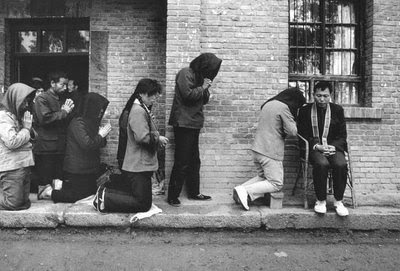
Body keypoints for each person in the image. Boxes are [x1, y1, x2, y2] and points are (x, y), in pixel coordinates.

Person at [93, 79, 168, 213]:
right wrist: (158, 138)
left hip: (139, 164)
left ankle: (106, 194)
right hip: (139, 165)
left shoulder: (140, 108)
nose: (155, 99)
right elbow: (142, 137)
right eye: (153, 95)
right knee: (142, 204)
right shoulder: (138, 111)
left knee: (143, 201)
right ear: (143, 94)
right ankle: (105, 197)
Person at [232, 87, 306, 210]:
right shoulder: (283, 107)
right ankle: (244, 190)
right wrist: (295, 121)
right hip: (271, 151)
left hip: (257, 149)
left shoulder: (268, 104)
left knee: (263, 177)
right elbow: (292, 131)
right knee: (276, 183)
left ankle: (240, 189)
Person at [167, 53, 222, 207]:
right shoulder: (186, 73)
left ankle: (194, 192)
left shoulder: (199, 77)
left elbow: (202, 100)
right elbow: (187, 95)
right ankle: (172, 196)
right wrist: (203, 87)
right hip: (183, 123)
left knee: (194, 161)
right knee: (182, 161)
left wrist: (206, 89)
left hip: (194, 123)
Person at [38, 93, 112, 202]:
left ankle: (59, 184)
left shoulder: (91, 122)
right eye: (99, 109)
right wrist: (101, 135)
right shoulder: (78, 122)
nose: (101, 112)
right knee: (78, 196)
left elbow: (100, 143)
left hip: (88, 167)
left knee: (90, 191)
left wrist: (102, 135)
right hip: (78, 167)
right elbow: (87, 144)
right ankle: (49, 193)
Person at [297, 81, 349, 217]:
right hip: (314, 148)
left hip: (333, 148)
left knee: (341, 164)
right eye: (318, 95)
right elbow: (302, 133)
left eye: (325, 96)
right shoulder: (305, 111)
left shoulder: (337, 110)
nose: (321, 99)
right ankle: (321, 201)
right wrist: (316, 146)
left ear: (330, 95)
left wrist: (334, 146)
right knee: (321, 164)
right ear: (313, 94)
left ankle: (338, 201)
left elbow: (342, 135)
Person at [33, 71, 75, 199]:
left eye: (66, 85)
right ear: (52, 83)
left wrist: (69, 113)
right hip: (46, 146)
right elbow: (44, 119)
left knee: (58, 176)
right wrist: (64, 112)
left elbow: (65, 119)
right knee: (45, 177)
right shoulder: (42, 98)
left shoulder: (62, 97)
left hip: (60, 145)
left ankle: (56, 196)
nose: (65, 88)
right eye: (62, 85)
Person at [0, 83, 35, 210]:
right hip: (12, 166)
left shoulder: (17, 116)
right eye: (23, 101)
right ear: (14, 99)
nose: (26, 104)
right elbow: (12, 142)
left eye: (27, 101)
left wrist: (28, 128)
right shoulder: (3, 118)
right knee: (13, 203)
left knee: (23, 202)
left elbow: (32, 136)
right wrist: (26, 128)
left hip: (23, 164)